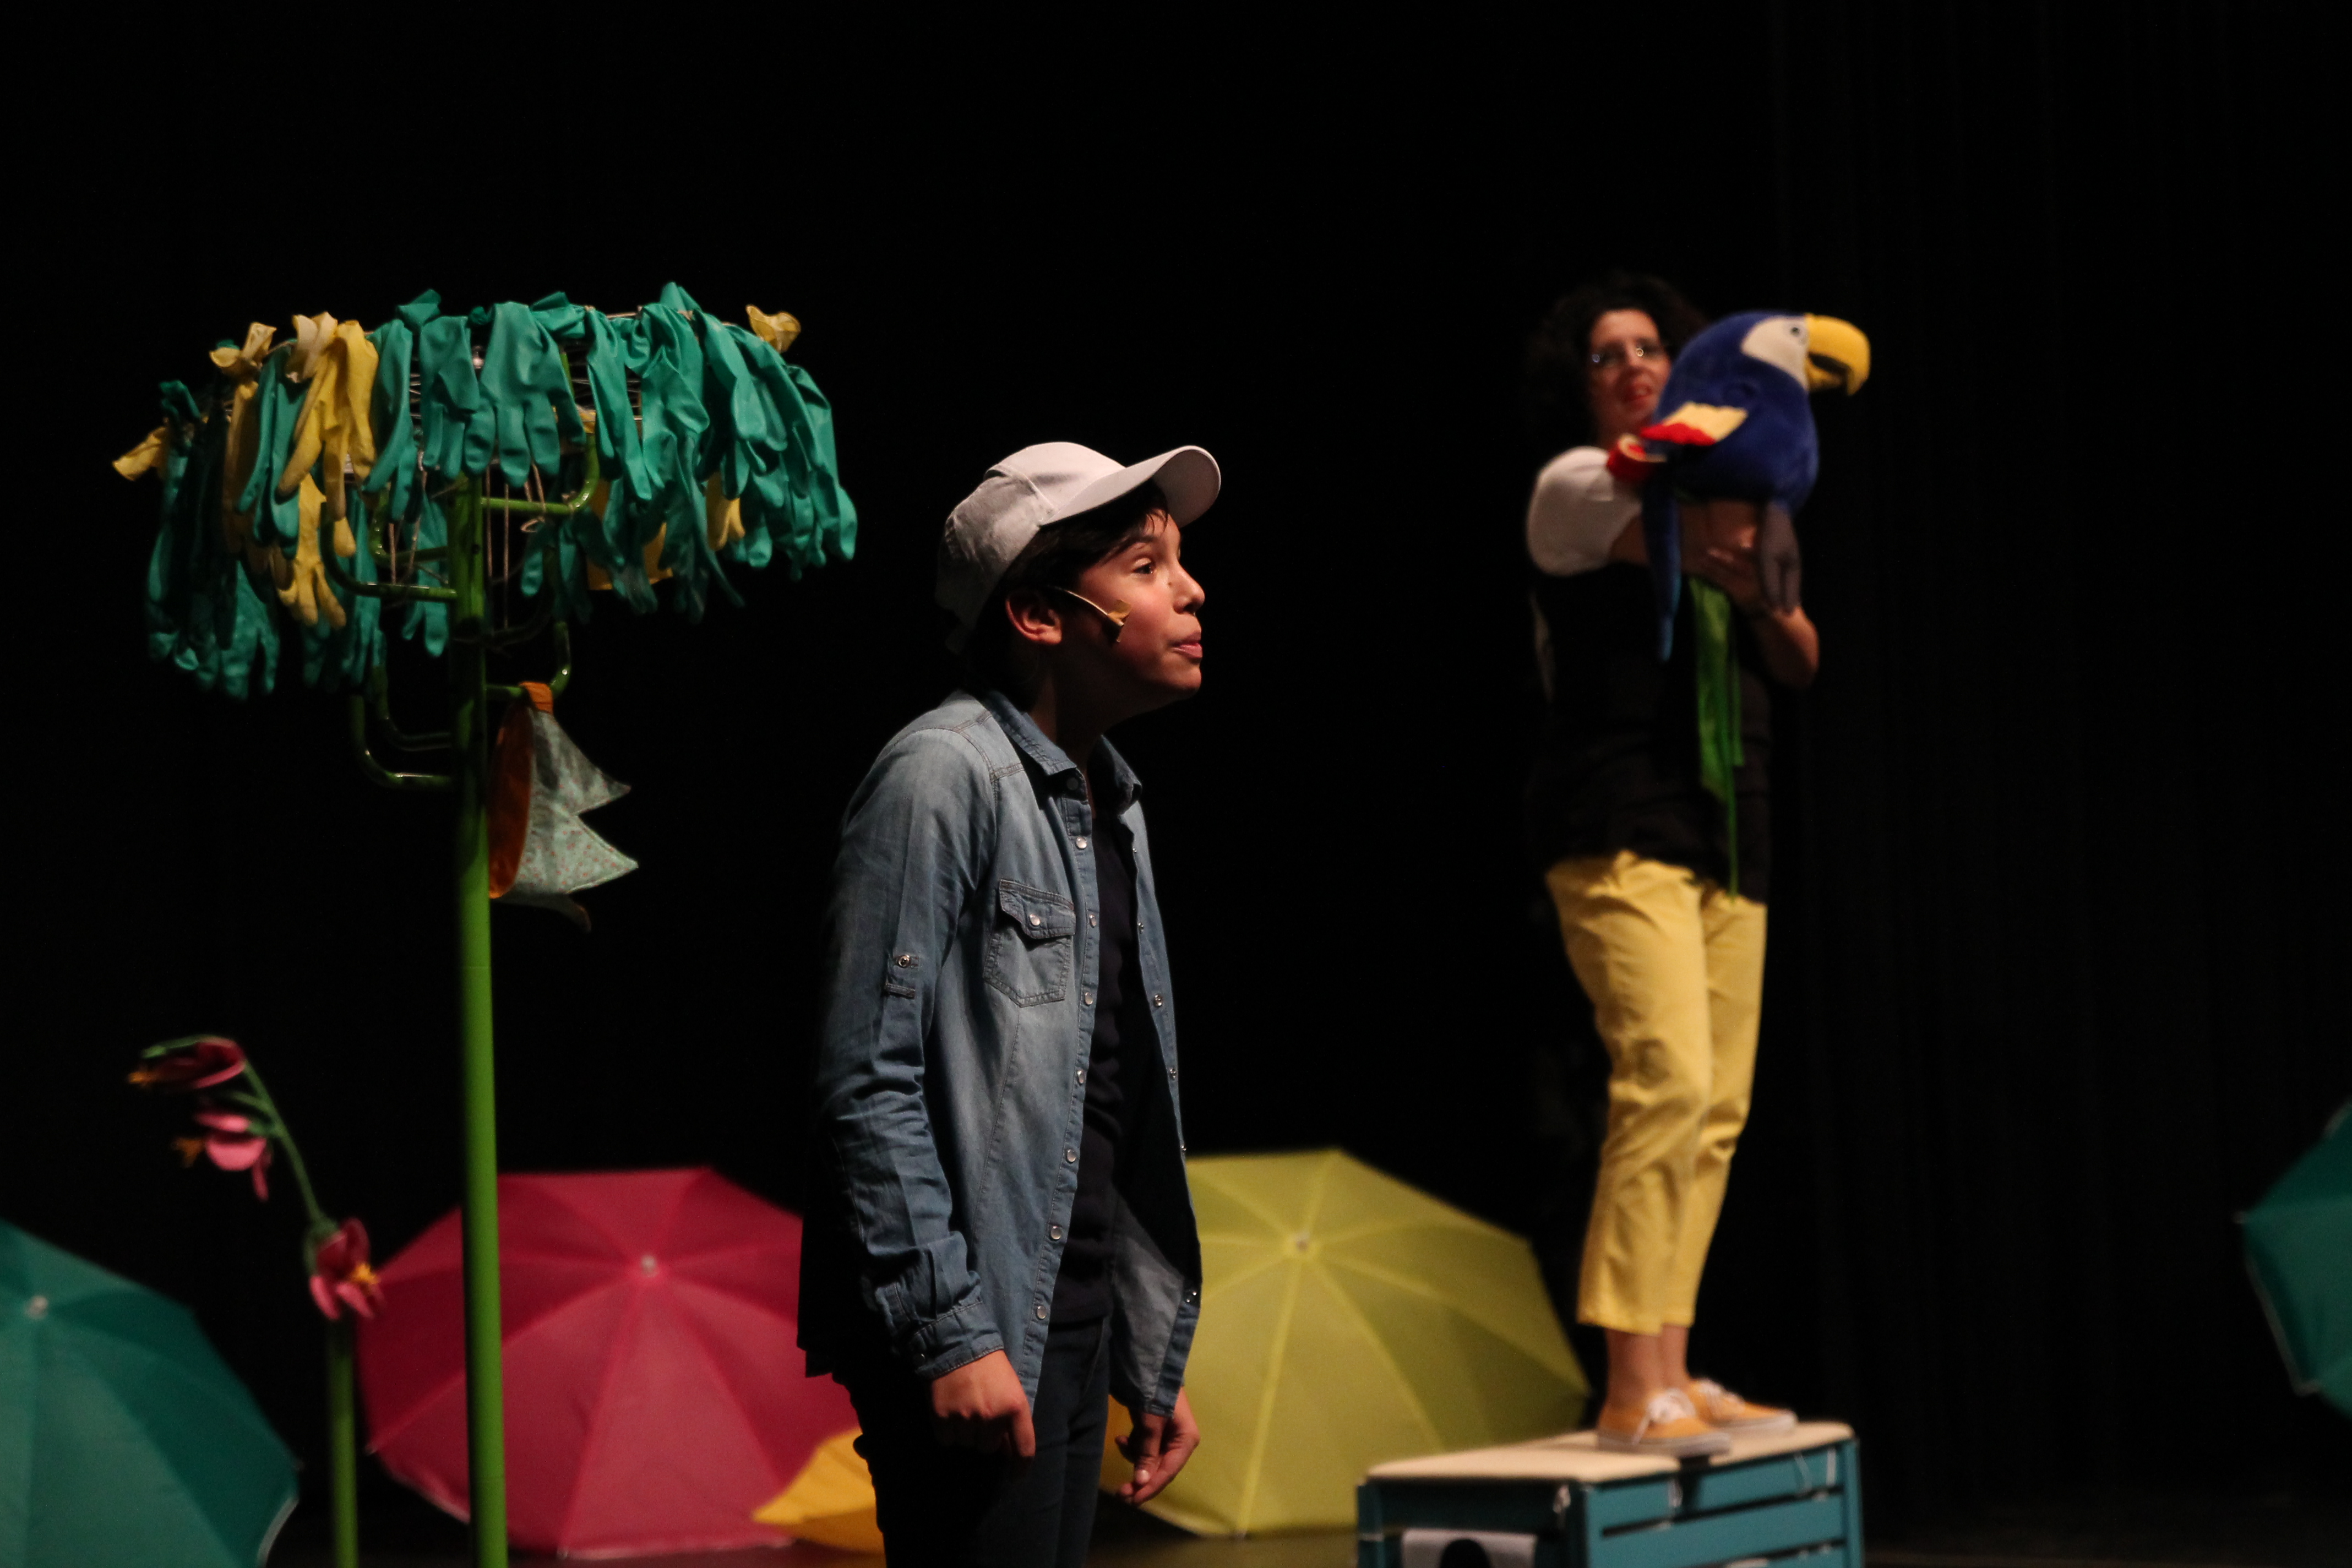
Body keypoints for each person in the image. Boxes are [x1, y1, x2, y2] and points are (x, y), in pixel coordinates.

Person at [800, 442, 1212, 1564]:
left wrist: (1143, 1344)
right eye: (1145, 567)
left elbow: (1103, 1092)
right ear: (1038, 614)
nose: (1190, 591)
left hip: (1066, 1323)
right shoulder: (940, 774)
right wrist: (949, 1334)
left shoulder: (1113, 802)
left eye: (1179, 562)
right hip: (974, 1328)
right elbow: (865, 1078)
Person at [1522, 274, 1820, 1455]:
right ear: (1583, 384)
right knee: (1668, 1082)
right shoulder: (1576, 485)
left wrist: (1764, 590)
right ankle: (1628, 1381)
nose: (1634, 365)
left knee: (1717, 1110)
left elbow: (1798, 648)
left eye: (1651, 348)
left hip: (1729, 828)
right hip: (1618, 822)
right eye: (1609, 355)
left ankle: (1676, 1369)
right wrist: (1744, 527)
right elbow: (1702, 535)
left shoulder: (1731, 493)